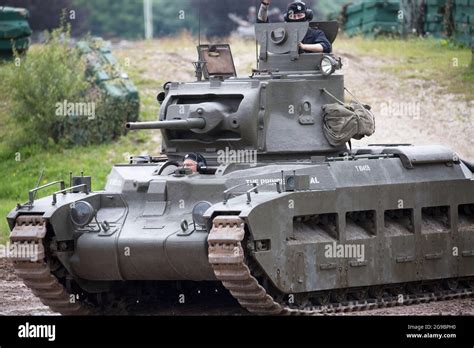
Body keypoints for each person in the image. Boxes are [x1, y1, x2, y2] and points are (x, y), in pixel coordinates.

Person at [257, 0, 332, 54]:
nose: (296, 18)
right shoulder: (281, 34)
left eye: (299, 15)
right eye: (292, 16)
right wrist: (264, 5)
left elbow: (326, 47)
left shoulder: (315, 33)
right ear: (287, 18)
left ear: (307, 16)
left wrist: (303, 46)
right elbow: (262, 25)